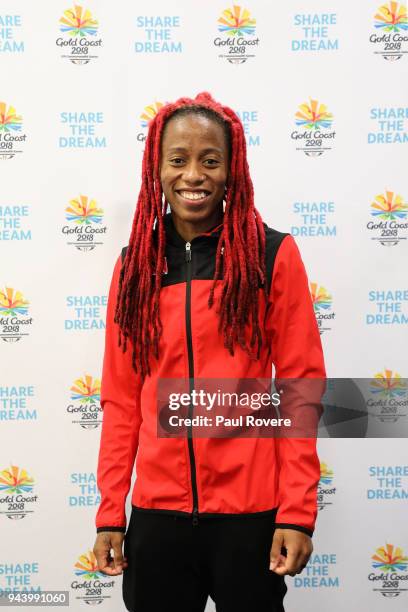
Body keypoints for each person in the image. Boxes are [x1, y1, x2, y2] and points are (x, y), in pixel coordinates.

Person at [93, 91, 326, 612]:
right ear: (157, 169)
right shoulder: (136, 269)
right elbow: (122, 400)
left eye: (210, 160)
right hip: (157, 517)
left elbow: (300, 391)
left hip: (249, 515)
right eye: (178, 160)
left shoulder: (270, 255)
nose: (193, 175)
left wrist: (296, 514)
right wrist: (112, 513)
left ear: (231, 170)